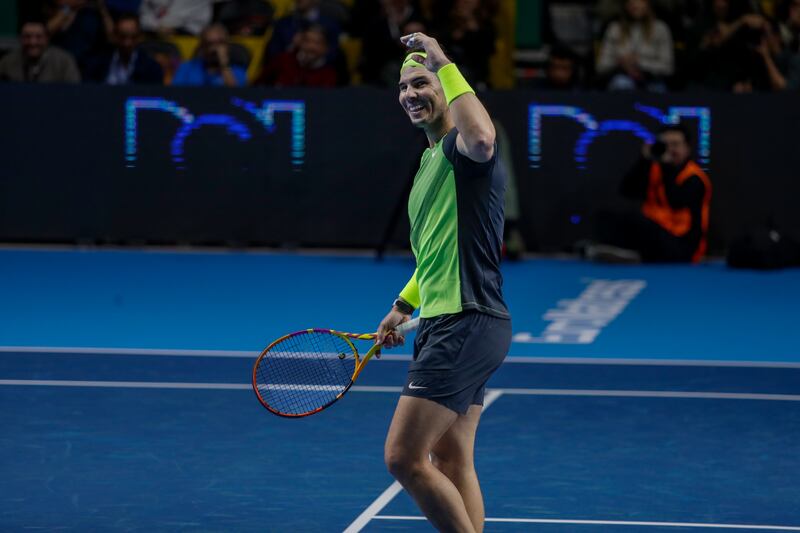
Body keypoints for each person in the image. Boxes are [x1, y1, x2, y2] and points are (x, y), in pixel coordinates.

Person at [375, 32, 511, 532]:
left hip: (465, 322)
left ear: (448, 87)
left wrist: (444, 61)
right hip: (449, 322)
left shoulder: (462, 150)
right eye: (403, 86)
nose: (410, 93)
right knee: (452, 461)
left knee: (403, 458)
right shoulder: (430, 162)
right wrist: (404, 305)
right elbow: (436, 252)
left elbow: (482, 138)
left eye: (421, 82)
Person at [584, 123, 712, 263]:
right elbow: (627, 191)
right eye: (665, 145)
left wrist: (667, 167)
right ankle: (621, 250)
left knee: (638, 221)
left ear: (687, 148)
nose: (669, 150)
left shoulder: (694, 178)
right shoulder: (654, 169)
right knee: (604, 216)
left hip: (681, 244)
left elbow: (675, 202)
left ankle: (630, 252)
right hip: (652, 233)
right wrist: (644, 160)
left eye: (675, 145)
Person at [596, 0, 674, 91]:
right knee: (621, 82)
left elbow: (668, 68)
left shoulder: (660, 28)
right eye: (631, 1)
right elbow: (601, 67)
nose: (635, 5)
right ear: (625, 5)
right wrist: (621, 63)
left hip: (652, 79)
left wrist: (639, 62)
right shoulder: (614, 29)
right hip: (622, 78)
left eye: (640, 1)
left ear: (648, 4)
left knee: (657, 87)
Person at [85, 13, 163, 84]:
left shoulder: (151, 68)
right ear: (114, 36)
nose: (127, 43)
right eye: (122, 36)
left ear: (140, 37)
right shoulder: (97, 63)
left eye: (133, 37)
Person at [0, 20, 81, 82]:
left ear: (47, 38)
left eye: (38, 37)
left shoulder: (64, 61)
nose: (33, 42)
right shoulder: (7, 62)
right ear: (20, 38)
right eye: (27, 37)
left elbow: (74, 92)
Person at [258, 24, 338, 87]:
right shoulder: (283, 60)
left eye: (317, 43)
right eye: (307, 41)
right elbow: (258, 85)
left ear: (325, 48)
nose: (311, 47)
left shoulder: (329, 74)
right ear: (300, 42)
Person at [171, 23, 247, 87]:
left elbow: (236, 96)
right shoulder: (186, 68)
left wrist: (224, 64)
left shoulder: (238, 71)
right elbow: (176, 94)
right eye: (210, 44)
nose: (215, 49)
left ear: (227, 46)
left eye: (220, 43)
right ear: (202, 47)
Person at [139, 0, 212, 36]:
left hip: (184, 38)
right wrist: (155, 27)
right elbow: (144, 15)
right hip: (151, 35)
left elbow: (199, 25)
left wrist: (176, 31)